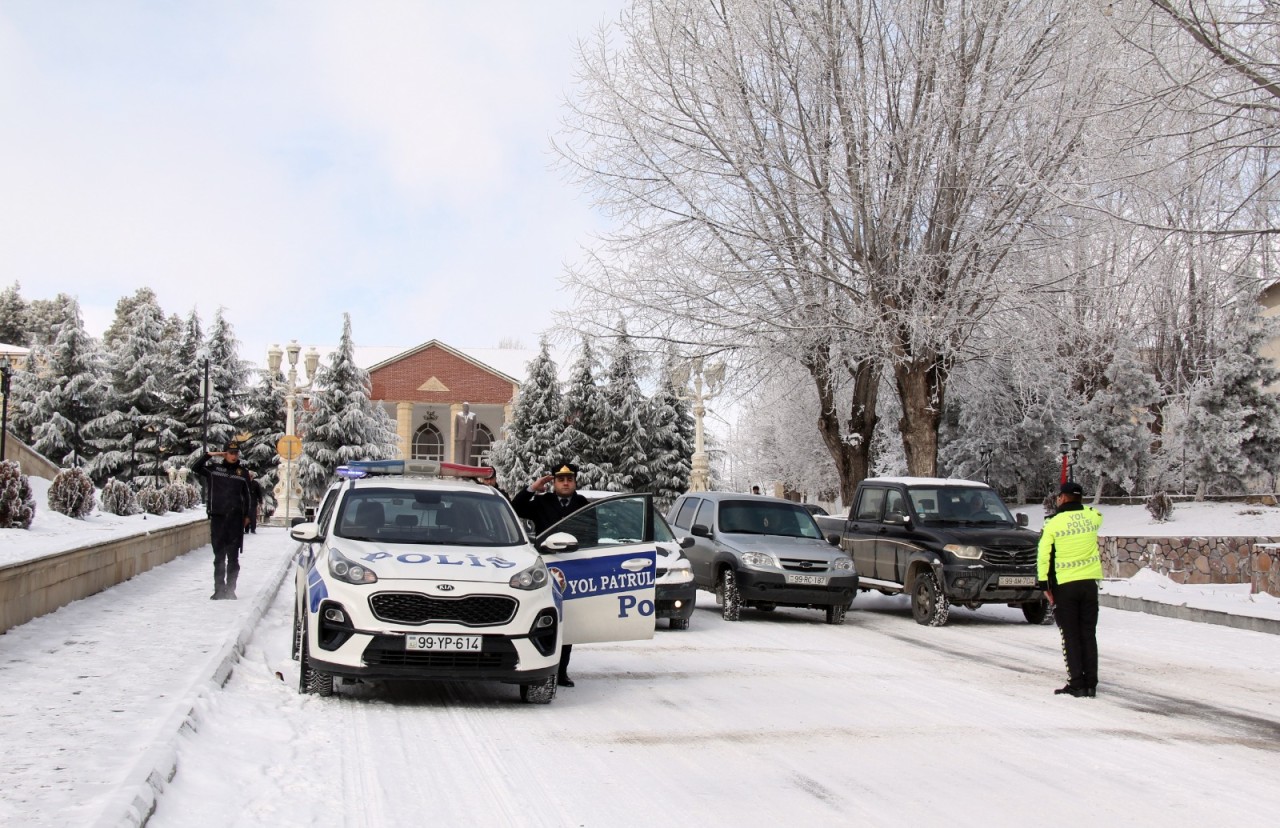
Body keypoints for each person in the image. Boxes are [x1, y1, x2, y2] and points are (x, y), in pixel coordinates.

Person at [512, 461, 590, 687]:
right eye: (561, 479)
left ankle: (562, 671)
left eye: (569, 479)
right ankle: (541, 667)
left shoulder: (582, 504)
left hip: (573, 566)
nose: (565, 483)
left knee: (567, 620)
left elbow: (591, 533)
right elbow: (516, 508)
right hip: (547, 565)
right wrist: (532, 488)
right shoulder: (542, 502)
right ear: (554, 482)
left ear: (575, 482)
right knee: (545, 617)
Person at [1037, 480, 1104, 697]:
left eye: (1059, 496)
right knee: (1088, 633)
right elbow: (1097, 514)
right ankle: (1090, 684)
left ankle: (1076, 683)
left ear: (1063, 498)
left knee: (1070, 635)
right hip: (1089, 583)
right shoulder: (1092, 517)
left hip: (1065, 585)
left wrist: (1044, 584)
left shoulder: (1053, 523)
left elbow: (1043, 555)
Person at [192, 440, 253, 600]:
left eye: (236, 453)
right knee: (219, 557)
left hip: (235, 520)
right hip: (218, 518)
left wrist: (247, 516)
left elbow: (248, 495)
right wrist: (209, 455)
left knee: (233, 557)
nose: (234, 456)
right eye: (230, 453)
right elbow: (195, 467)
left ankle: (231, 589)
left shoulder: (242, 473)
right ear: (225, 454)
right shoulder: (214, 470)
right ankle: (219, 590)